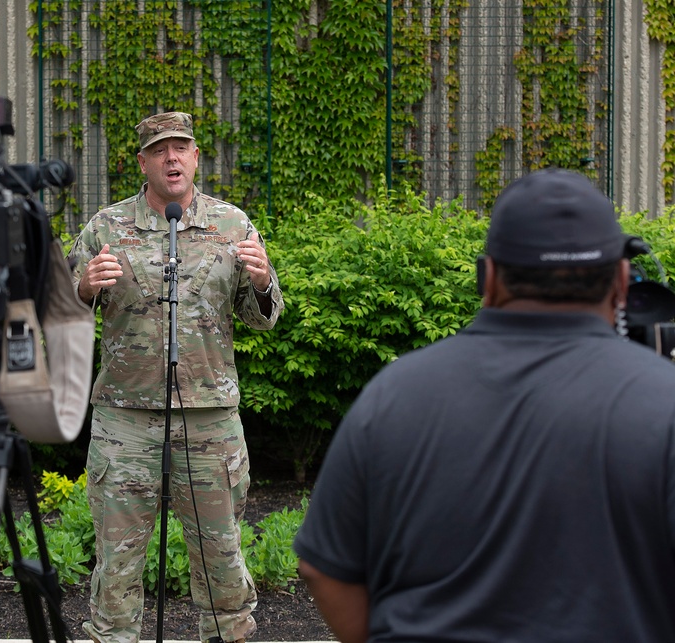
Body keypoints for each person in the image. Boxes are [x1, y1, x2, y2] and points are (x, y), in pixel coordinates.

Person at [293, 168, 675, 642]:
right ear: (621, 280)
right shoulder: (665, 401)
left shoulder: (395, 393)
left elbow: (322, 566)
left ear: (488, 277)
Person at [68, 111, 284, 643]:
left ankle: (227, 635)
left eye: (181, 147)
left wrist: (261, 282)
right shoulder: (106, 227)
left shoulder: (232, 225)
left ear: (194, 156)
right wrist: (84, 286)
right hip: (126, 417)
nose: (172, 158)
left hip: (209, 418)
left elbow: (266, 317)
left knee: (220, 553)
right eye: (160, 150)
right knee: (116, 563)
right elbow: (65, 309)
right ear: (142, 162)